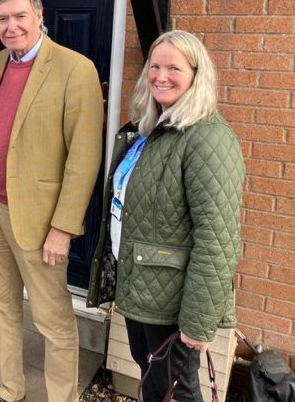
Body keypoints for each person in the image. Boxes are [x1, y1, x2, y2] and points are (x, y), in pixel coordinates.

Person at [0, 0, 104, 402]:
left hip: (40, 220)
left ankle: (62, 397)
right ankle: (10, 389)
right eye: (2, 19)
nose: (11, 27)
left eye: (19, 16)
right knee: (2, 307)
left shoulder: (75, 68)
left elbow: (84, 157)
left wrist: (63, 227)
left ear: (39, 16)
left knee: (53, 320)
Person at [87, 30, 244, 402]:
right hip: (145, 290)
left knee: (175, 392)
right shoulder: (154, 130)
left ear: (195, 74)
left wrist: (198, 323)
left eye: (174, 67)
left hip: (173, 305)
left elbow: (217, 239)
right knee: (154, 382)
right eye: (154, 66)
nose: (161, 75)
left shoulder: (208, 138)